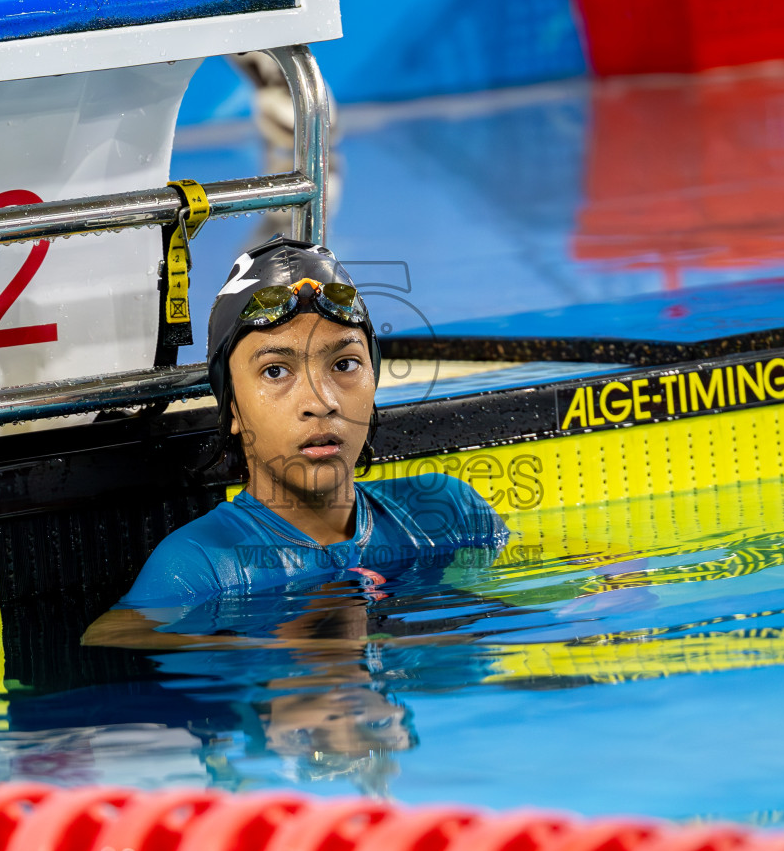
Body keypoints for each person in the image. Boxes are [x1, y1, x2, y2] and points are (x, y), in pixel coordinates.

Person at [82, 237, 508, 646]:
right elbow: (112, 637)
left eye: (345, 363)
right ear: (231, 408)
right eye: (275, 371)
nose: (321, 402)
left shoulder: (449, 513)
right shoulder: (203, 565)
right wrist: (278, 655)